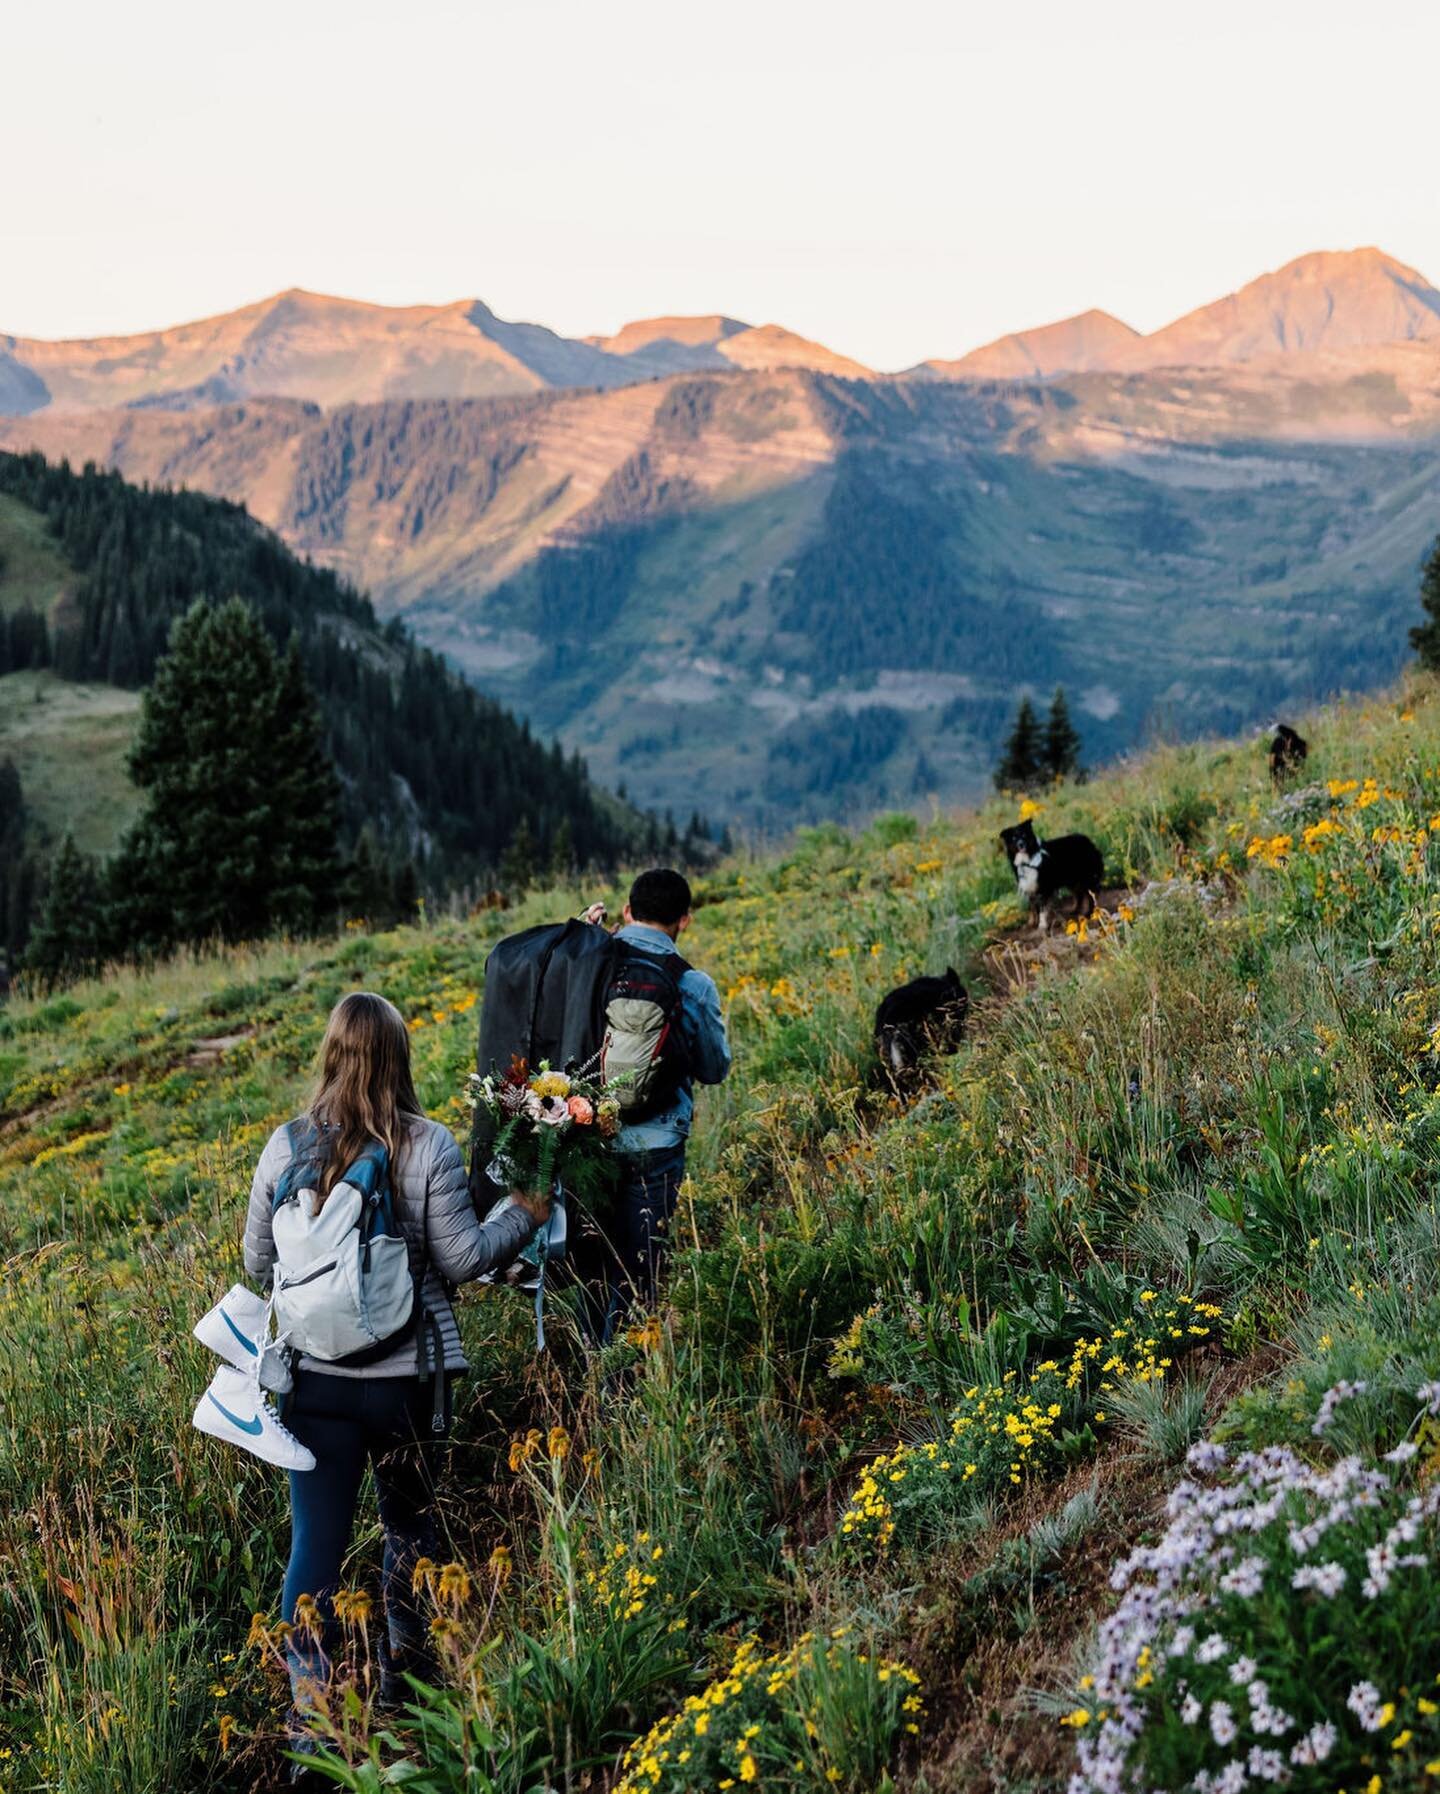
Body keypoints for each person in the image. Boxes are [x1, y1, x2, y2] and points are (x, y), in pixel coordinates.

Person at [241, 991, 547, 1783]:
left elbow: (256, 1267)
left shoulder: (284, 1146)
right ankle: (408, 1676)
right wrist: (524, 1211)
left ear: (330, 1053)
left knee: (314, 1549)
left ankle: (310, 1728)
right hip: (407, 1381)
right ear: (401, 1056)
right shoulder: (428, 1144)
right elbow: (463, 1259)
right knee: (410, 1520)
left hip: (313, 1388)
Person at [582, 868, 731, 1343]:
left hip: (586, 1137)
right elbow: (713, 1068)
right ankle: (619, 1390)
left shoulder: (593, 962)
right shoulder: (693, 984)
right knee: (640, 1272)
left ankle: (589, 1365)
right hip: (657, 1145)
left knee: (594, 1266)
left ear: (627, 911)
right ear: (684, 921)